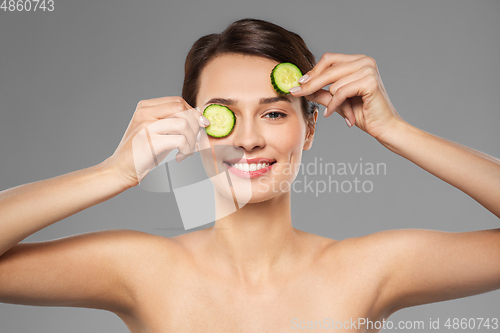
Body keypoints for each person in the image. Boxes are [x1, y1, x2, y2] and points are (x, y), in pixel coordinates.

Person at [0, 18, 499, 333]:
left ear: (309, 130)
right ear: (194, 129)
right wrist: (114, 172)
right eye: (223, 113)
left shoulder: (368, 270)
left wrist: (394, 129)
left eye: (275, 113)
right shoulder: (142, 269)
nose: (247, 138)